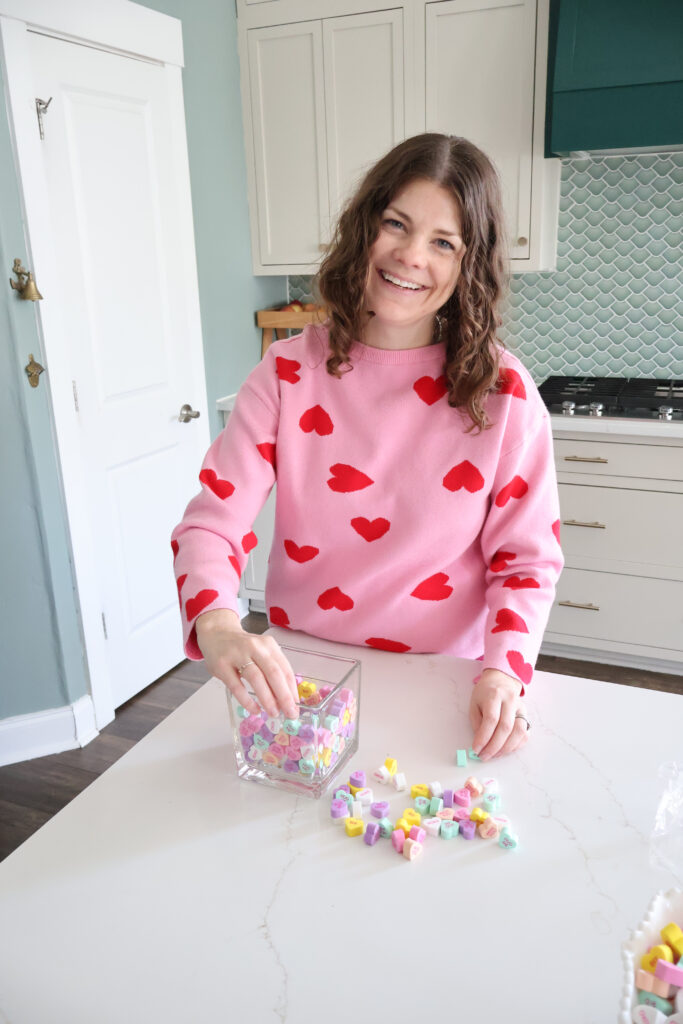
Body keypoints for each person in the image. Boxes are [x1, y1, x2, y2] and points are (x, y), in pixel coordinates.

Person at [171, 133, 564, 762]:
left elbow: (526, 561)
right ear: (364, 227)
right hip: (302, 681)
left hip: (442, 685)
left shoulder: (504, 393)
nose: (410, 256)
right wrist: (216, 620)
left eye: (444, 242)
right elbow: (212, 523)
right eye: (395, 224)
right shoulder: (286, 372)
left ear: (470, 264)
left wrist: (505, 671)